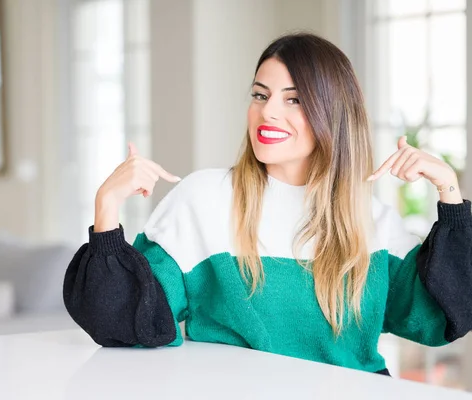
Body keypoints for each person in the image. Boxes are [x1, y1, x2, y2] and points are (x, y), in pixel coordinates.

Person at [62, 33, 472, 376]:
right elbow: (125, 321)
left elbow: (442, 318)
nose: (267, 112)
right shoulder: (204, 199)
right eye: (260, 95)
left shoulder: (373, 221)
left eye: (293, 99)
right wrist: (107, 209)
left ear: (333, 114)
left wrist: (450, 195)